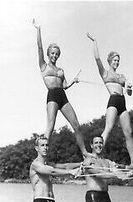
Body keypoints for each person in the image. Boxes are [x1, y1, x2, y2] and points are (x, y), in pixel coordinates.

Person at [32, 19, 88, 157]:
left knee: (76, 125)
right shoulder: (43, 66)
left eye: (56, 54)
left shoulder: (61, 70)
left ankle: (85, 152)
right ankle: (41, 155)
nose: (54, 55)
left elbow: (64, 86)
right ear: (48, 53)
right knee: (50, 127)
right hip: (52, 96)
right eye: (52, 53)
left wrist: (73, 82)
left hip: (62, 96)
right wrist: (38, 29)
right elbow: (39, 46)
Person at [87, 33, 133, 166]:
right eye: (114, 60)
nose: (116, 62)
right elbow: (97, 58)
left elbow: (129, 93)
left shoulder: (122, 76)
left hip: (123, 103)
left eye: (118, 60)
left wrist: (128, 87)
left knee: (128, 132)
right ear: (109, 61)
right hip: (113, 101)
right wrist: (95, 41)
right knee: (108, 127)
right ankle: (95, 155)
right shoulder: (105, 73)